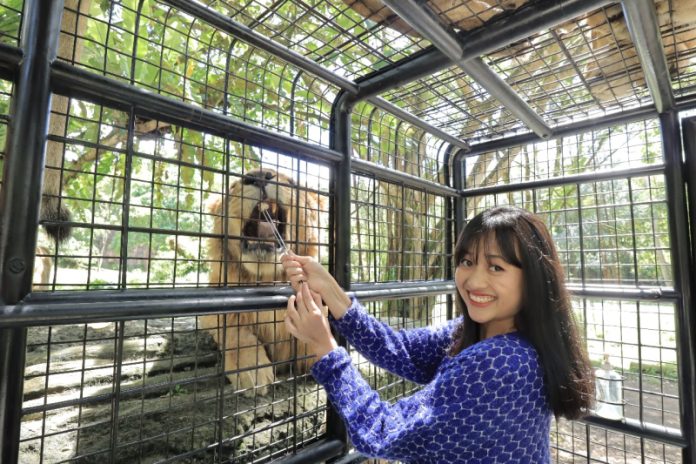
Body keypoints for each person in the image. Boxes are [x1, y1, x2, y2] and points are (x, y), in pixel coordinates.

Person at [281, 206, 594, 463]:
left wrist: (324, 347)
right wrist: (331, 289)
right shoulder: (477, 330)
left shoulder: (503, 362)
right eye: (467, 262)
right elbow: (400, 349)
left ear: (534, 279)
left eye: (496, 267)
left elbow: (383, 433)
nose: (474, 280)